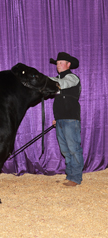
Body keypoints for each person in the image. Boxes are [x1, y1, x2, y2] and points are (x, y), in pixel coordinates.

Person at [49, 52, 84, 187]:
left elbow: (61, 84)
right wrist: (57, 118)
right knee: (65, 150)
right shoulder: (57, 80)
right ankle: (70, 175)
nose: (58, 65)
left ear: (68, 64)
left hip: (71, 119)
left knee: (73, 148)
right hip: (61, 119)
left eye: (61, 63)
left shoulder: (72, 78)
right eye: (57, 63)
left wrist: (44, 80)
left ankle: (75, 178)